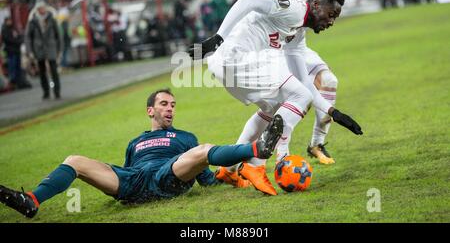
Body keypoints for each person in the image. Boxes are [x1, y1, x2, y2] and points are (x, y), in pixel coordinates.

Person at [0, 89, 284, 218]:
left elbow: (204, 177)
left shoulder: (185, 138)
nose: (170, 108)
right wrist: (123, 187)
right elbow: (126, 169)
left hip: (167, 175)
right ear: (151, 110)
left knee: (203, 149)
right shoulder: (135, 142)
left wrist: (227, 177)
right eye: (164, 104)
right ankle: (32, 200)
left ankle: (258, 148)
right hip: (133, 181)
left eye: (173, 104)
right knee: (74, 160)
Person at [189, 0, 363, 196]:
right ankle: (255, 166)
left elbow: (305, 83)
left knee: (276, 106)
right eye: (331, 14)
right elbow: (247, 1)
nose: (331, 21)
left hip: (229, 65)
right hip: (235, 57)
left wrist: (334, 113)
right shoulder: (293, 8)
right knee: (297, 96)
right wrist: (218, 37)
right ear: (316, 5)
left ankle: (229, 169)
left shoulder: (298, 35)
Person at [25, 0, 62, 99]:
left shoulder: (51, 19)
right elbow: (28, 37)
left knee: (54, 70)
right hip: (39, 49)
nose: (42, 10)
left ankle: (57, 91)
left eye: (43, 7)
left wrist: (59, 49)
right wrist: (30, 51)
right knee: (42, 72)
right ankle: (46, 92)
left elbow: (58, 35)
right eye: (40, 8)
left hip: (51, 48)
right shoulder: (32, 21)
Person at [1, 16, 31, 89]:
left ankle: (19, 81)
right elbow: (8, 39)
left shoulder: (13, 28)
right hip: (11, 51)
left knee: (18, 67)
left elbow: (19, 36)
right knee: (12, 67)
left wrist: (19, 40)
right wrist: (17, 41)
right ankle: (13, 82)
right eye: (8, 21)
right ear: (6, 21)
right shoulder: (4, 30)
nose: (10, 22)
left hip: (17, 50)